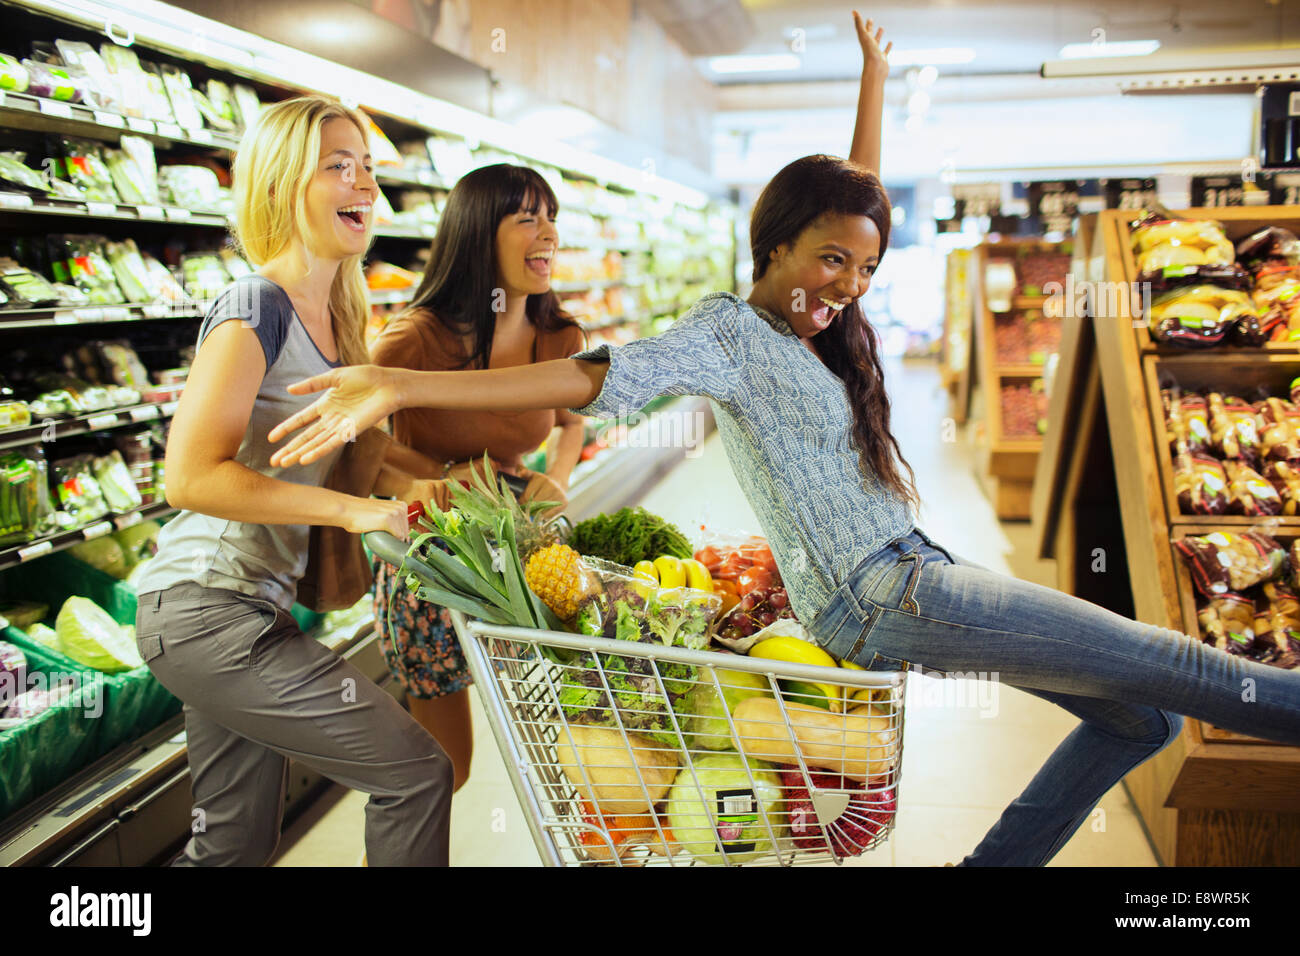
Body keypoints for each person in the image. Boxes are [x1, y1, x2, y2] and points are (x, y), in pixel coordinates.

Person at [266, 15, 1300, 867]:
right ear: (772, 244)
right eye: (828, 260)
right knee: (1178, 663)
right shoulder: (727, 330)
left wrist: (871, 80)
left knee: (1145, 717)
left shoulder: (822, 320)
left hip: (914, 571)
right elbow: (598, 375)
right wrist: (394, 379)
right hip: (884, 591)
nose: (847, 283)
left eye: (863, 266)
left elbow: (847, 195)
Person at [133, 94, 453, 866]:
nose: (365, 186)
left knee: (232, 850)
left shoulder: (338, 314)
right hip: (206, 610)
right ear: (283, 186)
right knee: (416, 774)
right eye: (338, 168)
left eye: (369, 169)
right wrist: (354, 513)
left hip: (247, 613)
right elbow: (190, 478)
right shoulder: (255, 307)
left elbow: (363, 450)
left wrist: (453, 487)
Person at [370, 163, 585, 793]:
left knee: (557, 756)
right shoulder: (413, 338)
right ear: (476, 234)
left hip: (523, 555)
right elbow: (358, 447)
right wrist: (434, 475)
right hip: (429, 559)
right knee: (445, 769)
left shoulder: (560, 336)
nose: (547, 233)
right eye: (527, 219)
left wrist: (559, 478)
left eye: (552, 218)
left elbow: (573, 425)